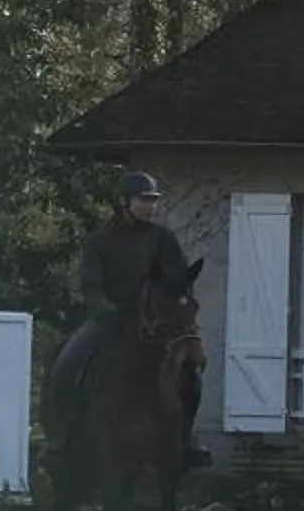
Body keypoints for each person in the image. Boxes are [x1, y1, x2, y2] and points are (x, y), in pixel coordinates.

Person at [53, 168, 211, 470]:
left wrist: (176, 305)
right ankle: (63, 435)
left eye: (154, 200)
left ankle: (187, 438)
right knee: (66, 364)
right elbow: (91, 285)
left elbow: (178, 279)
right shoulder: (100, 241)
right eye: (144, 200)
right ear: (124, 202)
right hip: (109, 320)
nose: (151, 206)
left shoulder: (164, 238)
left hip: (156, 324)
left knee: (191, 372)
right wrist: (105, 308)